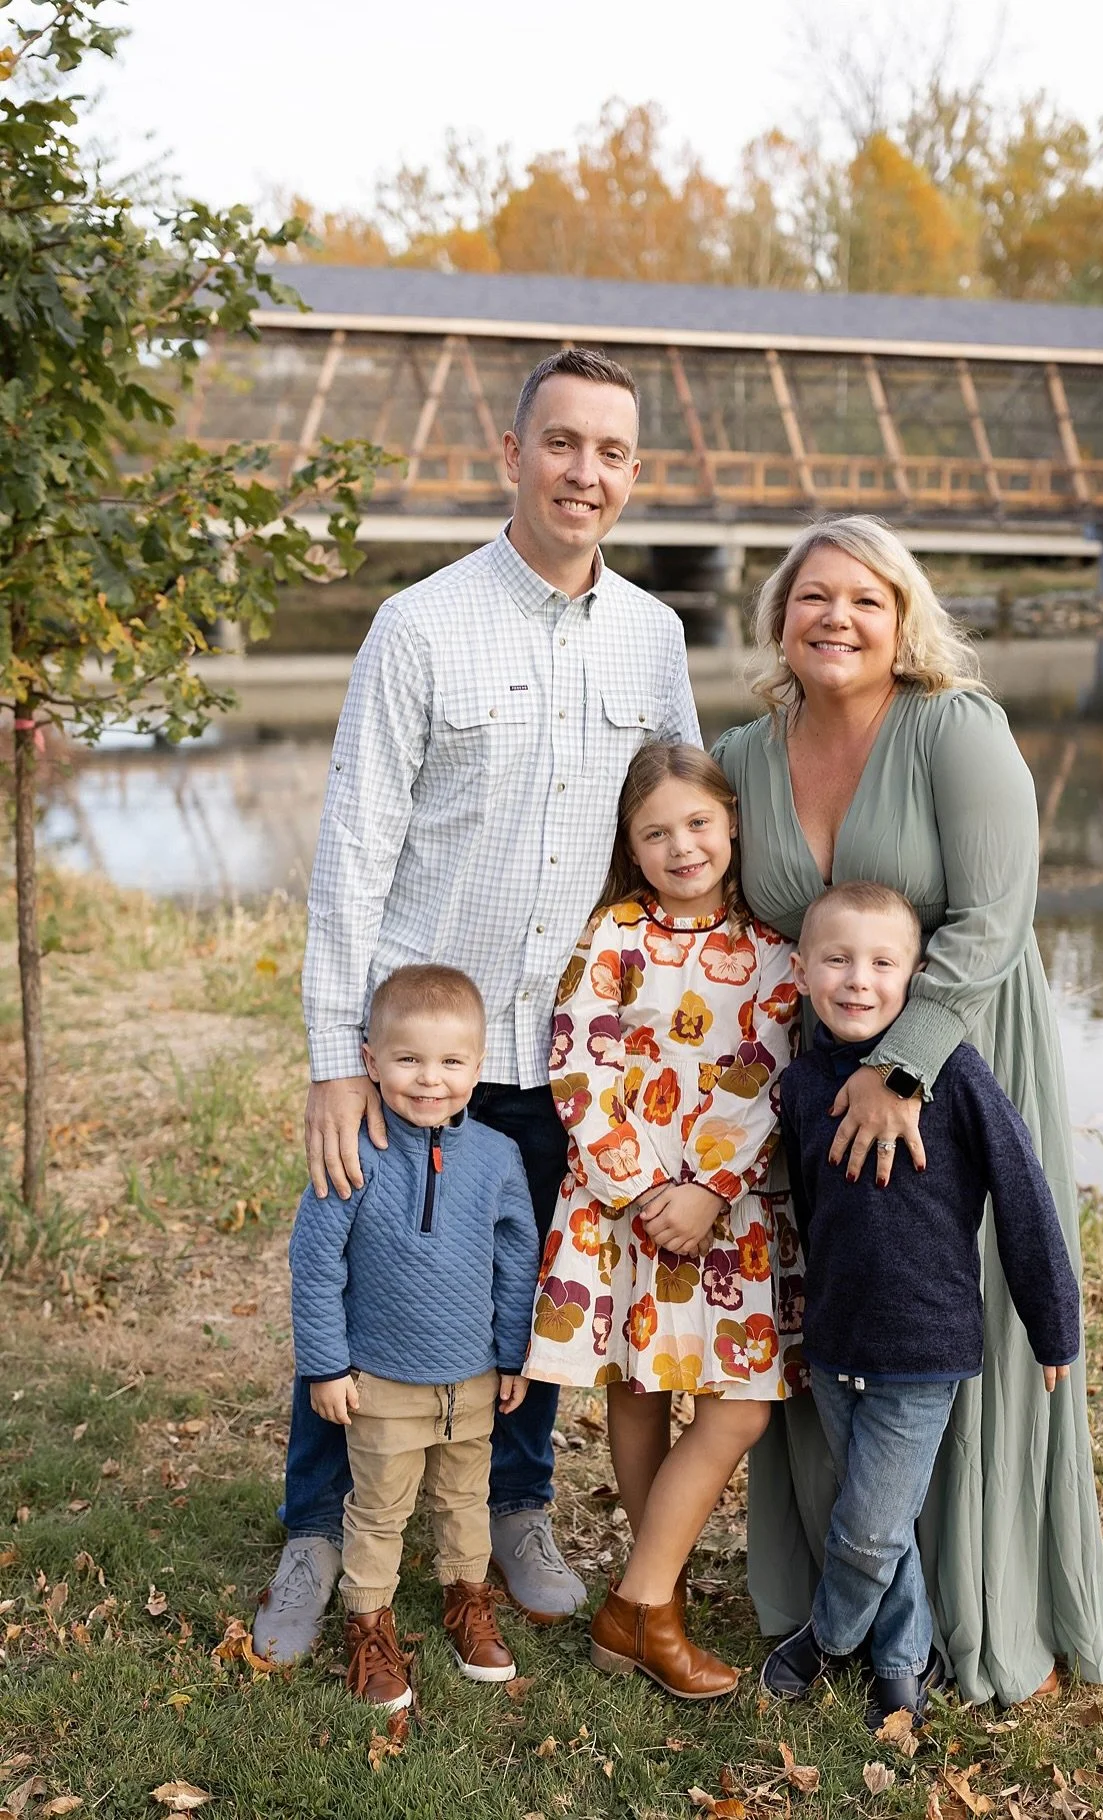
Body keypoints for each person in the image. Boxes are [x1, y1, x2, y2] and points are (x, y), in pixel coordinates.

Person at [254, 348, 702, 1664]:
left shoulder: (656, 640)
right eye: (562, 443)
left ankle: (511, 1510)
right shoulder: (422, 625)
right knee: (360, 1280)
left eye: (611, 452)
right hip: (420, 1053)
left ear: (633, 475)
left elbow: (671, 832)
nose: (586, 472)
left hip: (570, 1055)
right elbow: (352, 854)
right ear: (512, 455)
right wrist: (339, 1061)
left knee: (527, 1298)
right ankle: (314, 1529)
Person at [713, 514, 1103, 1707]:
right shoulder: (744, 752)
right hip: (815, 1090)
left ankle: (971, 1610)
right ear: (779, 617)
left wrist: (902, 1070)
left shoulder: (954, 728)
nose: (835, 618)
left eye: (865, 600)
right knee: (840, 1316)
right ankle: (859, 1604)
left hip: (958, 1052)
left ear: (904, 620)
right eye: (812, 597)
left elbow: (997, 913)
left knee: (953, 1318)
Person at [758, 882, 1080, 1730]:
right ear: (799, 969)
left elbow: (1022, 1194)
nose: (857, 980)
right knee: (882, 1518)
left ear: (917, 974)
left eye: (880, 963)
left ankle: (826, 1640)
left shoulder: (954, 1073)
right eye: (835, 959)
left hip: (922, 1345)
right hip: (832, 1338)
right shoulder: (796, 1087)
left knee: (866, 1530)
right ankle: (905, 1660)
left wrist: (1053, 1324)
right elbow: (809, 1208)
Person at [523, 742, 801, 1698]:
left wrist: (711, 1188)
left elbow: (770, 1077)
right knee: (636, 1392)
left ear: (730, 825)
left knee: (741, 1405)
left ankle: (632, 1599)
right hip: (621, 1208)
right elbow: (577, 1063)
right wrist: (640, 1188)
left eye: (696, 823)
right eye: (655, 832)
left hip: (728, 1214)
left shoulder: (774, 952)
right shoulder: (610, 940)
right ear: (630, 849)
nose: (681, 845)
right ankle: (660, 1608)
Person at [289, 965, 540, 1710]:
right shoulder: (355, 1150)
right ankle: (369, 1625)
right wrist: (327, 1367)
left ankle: (467, 1600)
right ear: (370, 1061)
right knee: (379, 1508)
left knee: (466, 1497)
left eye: (451, 1062)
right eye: (408, 1060)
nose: (430, 1080)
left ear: (479, 1064)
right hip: (382, 1380)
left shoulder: (497, 1157)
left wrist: (513, 1353)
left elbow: (518, 1257)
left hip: (469, 1378)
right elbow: (314, 1262)